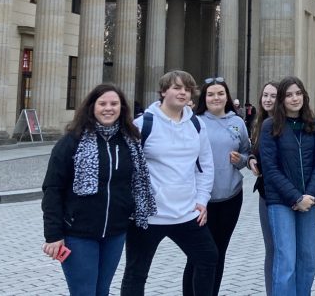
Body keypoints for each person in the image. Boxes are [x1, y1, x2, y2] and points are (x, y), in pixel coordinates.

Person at [41, 84, 156, 296]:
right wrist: (53, 234)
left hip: (115, 233)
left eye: (114, 104)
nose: (108, 108)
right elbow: (52, 189)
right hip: (78, 234)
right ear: (92, 107)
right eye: (102, 103)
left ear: (122, 108)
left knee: (102, 291)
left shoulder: (129, 142)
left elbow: (134, 184)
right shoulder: (71, 142)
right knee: (84, 292)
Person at [121, 70, 217, 296]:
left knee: (208, 258)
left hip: (186, 212)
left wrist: (202, 200)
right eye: (176, 87)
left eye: (187, 89)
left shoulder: (196, 124)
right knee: (136, 273)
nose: (183, 92)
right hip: (148, 216)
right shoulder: (143, 124)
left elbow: (205, 166)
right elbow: (126, 168)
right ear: (163, 91)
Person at [259, 76, 315, 296]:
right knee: (286, 259)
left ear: (304, 96)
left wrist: (309, 195)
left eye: (298, 93)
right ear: (281, 99)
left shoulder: (314, 125)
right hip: (281, 202)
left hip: (308, 200)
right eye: (289, 94)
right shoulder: (270, 126)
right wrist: (295, 198)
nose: (294, 98)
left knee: (307, 259)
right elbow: (270, 169)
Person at [188, 77, 250, 295]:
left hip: (230, 198)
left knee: (218, 252)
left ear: (227, 97)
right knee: (198, 254)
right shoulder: (194, 122)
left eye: (220, 93)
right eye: (211, 94)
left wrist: (241, 160)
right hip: (200, 201)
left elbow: (247, 152)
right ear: (204, 98)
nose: (216, 98)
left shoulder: (238, 123)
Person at [246, 81, 278, 295]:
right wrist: (250, 159)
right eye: (265, 95)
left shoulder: (283, 124)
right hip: (266, 194)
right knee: (271, 251)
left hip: (285, 196)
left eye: (273, 96)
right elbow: (253, 151)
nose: (267, 99)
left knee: (282, 250)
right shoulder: (259, 123)